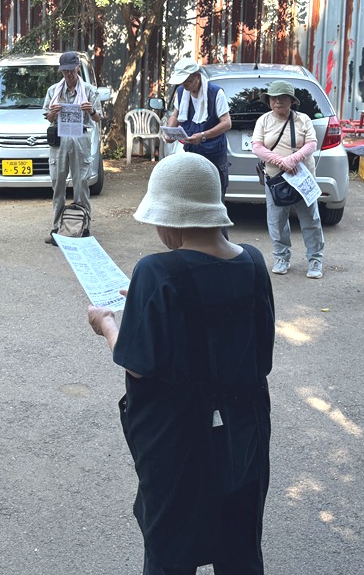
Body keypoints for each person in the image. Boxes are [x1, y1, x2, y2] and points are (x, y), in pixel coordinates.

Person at [87, 152, 274, 574]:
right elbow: (259, 352)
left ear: (171, 220)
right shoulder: (253, 262)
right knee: (240, 545)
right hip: (243, 433)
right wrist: (147, 300)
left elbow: (137, 364)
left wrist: (107, 324)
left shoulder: (157, 271)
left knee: (170, 550)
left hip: (179, 439)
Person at [251, 80, 323, 278]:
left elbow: (311, 144)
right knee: (277, 221)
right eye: (273, 98)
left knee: (311, 220)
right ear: (268, 101)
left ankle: (315, 259)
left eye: (283, 97)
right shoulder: (263, 121)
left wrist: (293, 159)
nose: (278, 101)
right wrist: (280, 161)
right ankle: (281, 257)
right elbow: (257, 147)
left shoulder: (303, 119)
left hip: (302, 177)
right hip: (275, 178)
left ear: (292, 101)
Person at [43, 51, 102, 245]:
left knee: (81, 184)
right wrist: (53, 113)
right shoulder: (54, 91)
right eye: (65, 71)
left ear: (78, 68)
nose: (68, 74)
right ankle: (57, 228)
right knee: (58, 185)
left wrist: (91, 110)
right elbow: (48, 118)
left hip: (80, 139)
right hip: (59, 140)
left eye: (71, 70)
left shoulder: (89, 91)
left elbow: (98, 118)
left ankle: (82, 227)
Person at [164, 58, 232, 198]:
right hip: (191, 151)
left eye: (187, 81)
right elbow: (175, 114)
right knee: (191, 192)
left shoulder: (216, 93)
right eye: (182, 82)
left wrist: (203, 135)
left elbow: (226, 123)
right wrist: (170, 132)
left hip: (214, 153)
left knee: (215, 194)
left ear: (197, 76)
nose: (184, 85)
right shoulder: (181, 92)